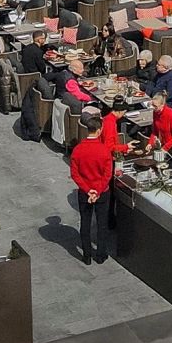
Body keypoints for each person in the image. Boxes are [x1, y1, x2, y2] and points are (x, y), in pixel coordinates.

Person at [69, 111, 115, 264]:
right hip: (102, 192)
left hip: (84, 192)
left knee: (85, 223)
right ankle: (100, 255)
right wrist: (97, 191)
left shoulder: (78, 150)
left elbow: (75, 174)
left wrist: (88, 191)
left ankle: (86, 255)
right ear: (99, 130)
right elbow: (107, 175)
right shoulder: (104, 151)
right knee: (102, 225)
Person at [147, 90, 172, 157]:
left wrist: (166, 148)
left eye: (155, 106)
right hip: (165, 144)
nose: (153, 107)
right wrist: (150, 143)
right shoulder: (156, 113)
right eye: (152, 105)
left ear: (162, 105)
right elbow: (154, 132)